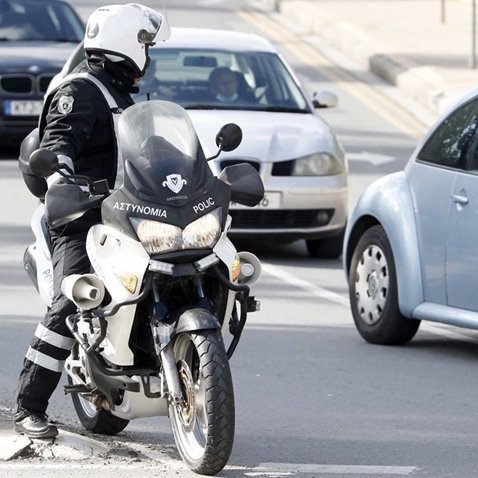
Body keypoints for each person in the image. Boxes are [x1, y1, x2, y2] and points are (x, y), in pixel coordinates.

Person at [13, 3, 170, 439]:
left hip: (128, 214)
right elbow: (60, 138)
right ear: (126, 44)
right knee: (76, 297)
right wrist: (60, 168)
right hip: (80, 213)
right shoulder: (80, 90)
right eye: (145, 45)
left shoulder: (121, 95)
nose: (149, 56)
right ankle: (29, 405)